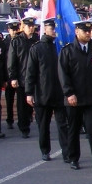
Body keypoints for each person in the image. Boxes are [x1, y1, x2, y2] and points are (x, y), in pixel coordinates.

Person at [59, 19, 92, 173]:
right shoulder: (67, 51)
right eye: (84, 31)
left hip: (91, 97)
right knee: (73, 129)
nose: (88, 33)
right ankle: (73, 158)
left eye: (89, 30)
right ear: (76, 32)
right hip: (74, 98)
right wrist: (69, 93)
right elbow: (63, 75)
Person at [25, 18, 68, 161]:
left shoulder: (60, 47)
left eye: (56, 28)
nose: (55, 31)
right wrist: (29, 93)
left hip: (59, 93)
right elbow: (30, 72)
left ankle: (67, 152)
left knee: (63, 124)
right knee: (43, 125)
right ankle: (45, 150)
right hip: (43, 94)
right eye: (52, 28)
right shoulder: (37, 48)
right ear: (45, 29)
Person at [8, 17, 38, 139]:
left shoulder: (36, 40)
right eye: (28, 26)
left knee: (33, 103)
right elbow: (12, 61)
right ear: (23, 27)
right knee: (22, 104)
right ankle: (24, 127)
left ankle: (31, 119)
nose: (31, 28)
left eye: (32, 26)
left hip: (35, 77)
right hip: (22, 77)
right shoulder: (16, 41)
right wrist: (13, 77)